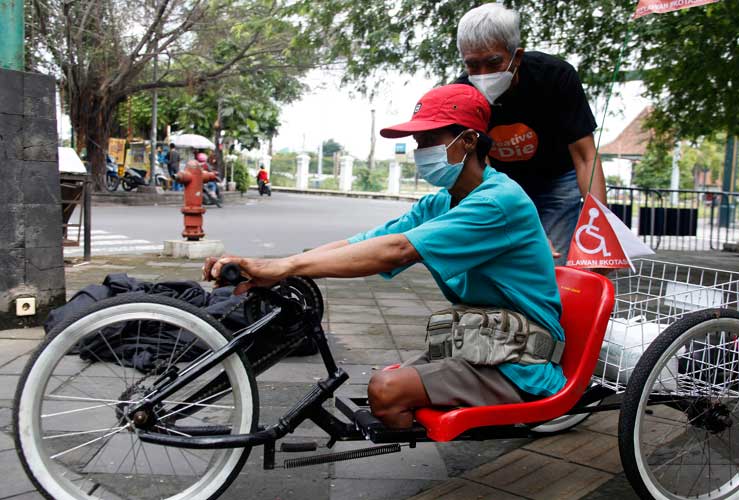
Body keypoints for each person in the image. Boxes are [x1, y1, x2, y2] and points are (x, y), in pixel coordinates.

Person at [205, 84, 565, 429]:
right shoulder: (443, 201)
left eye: (429, 140)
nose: (419, 150)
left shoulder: (497, 202)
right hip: (480, 338)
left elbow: (397, 250)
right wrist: (279, 268)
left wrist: (286, 267)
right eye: (417, 142)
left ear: (469, 140)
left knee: (385, 391)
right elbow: (366, 241)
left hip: (520, 358)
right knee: (391, 385)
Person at [454, 3, 606, 264]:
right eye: (472, 65)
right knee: (505, 261)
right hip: (503, 182)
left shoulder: (556, 77)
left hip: (558, 181)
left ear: (517, 56)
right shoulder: (463, 95)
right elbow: (479, 168)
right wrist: (519, 221)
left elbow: (585, 157)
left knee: (550, 262)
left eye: (493, 62)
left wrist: (600, 226)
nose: (483, 75)